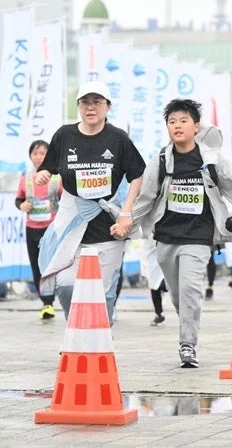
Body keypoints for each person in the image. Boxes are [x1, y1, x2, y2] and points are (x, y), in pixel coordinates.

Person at [124, 99, 232, 367]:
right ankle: (187, 321)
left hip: (199, 238)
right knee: (177, 294)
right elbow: (146, 198)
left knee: (190, 290)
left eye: (183, 121)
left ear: (196, 126)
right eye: (172, 121)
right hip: (166, 237)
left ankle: (188, 344)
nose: (177, 126)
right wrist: (126, 223)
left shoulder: (212, 160)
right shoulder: (160, 161)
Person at [36, 81, 145, 324]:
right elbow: (47, 168)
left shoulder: (118, 138)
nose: (91, 107)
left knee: (103, 293)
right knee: (64, 286)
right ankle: (75, 331)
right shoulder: (65, 135)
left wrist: (126, 212)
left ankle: (101, 342)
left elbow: (137, 174)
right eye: (85, 102)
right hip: (72, 225)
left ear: (108, 106)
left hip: (107, 227)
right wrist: (43, 174)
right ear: (78, 106)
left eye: (97, 102)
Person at [15, 140, 62, 320]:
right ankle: (46, 303)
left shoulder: (57, 179)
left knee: (52, 265)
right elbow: (18, 200)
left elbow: (65, 201)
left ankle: (56, 296)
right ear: (30, 157)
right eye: (35, 153)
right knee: (36, 266)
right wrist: (22, 205)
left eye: (43, 153)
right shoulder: (25, 179)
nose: (39, 157)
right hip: (32, 228)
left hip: (52, 229)